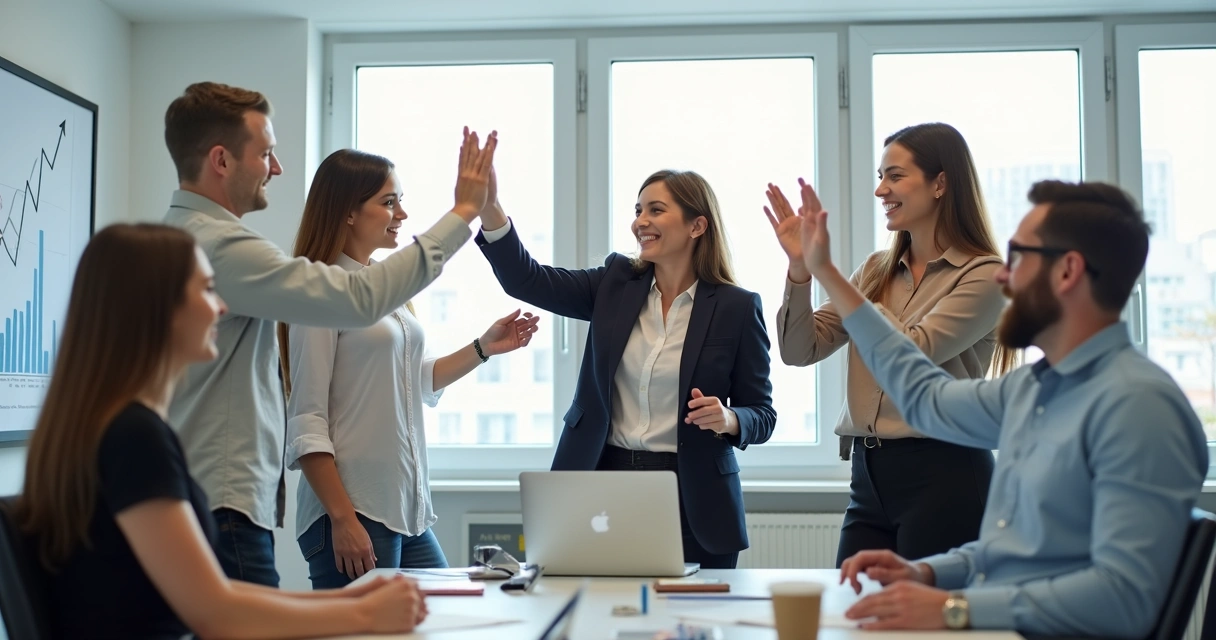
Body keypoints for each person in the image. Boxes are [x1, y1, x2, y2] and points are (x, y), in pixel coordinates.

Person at [790, 178, 1206, 637]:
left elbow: (1122, 599)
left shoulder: (1139, 407)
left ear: (1068, 271)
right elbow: (926, 399)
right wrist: (927, 574)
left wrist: (954, 608)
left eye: (1018, 258)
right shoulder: (1032, 389)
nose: (1003, 277)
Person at [10, 224, 428, 640]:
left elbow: (220, 595)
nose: (222, 308)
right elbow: (216, 614)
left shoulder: (114, 426)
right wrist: (365, 616)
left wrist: (358, 600)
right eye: (208, 290)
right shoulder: (135, 438)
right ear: (158, 309)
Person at [161, 81, 496, 586]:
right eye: (267, 153)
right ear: (222, 161)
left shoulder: (192, 240)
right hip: (242, 501)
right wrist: (463, 212)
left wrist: (482, 348)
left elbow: (409, 378)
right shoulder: (222, 248)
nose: (276, 168)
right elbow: (350, 314)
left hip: (371, 505)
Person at [476, 163, 776, 568]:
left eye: (655, 210)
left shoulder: (736, 307)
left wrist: (729, 418)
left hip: (694, 495)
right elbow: (528, 280)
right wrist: (490, 208)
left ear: (697, 226)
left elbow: (762, 413)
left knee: (696, 622)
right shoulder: (613, 284)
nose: (640, 222)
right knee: (600, 615)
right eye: (638, 210)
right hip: (603, 481)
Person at [279, 149, 541, 587]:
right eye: (388, 202)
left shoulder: (383, 284)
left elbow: (412, 379)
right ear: (346, 211)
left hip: (406, 511)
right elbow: (307, 420)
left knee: (442, 619)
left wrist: (483, 348)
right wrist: (343, 520)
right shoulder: (321, 289)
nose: (401, 213)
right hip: (354, 512)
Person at [766, 122, 1015, 566]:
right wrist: (802, 270)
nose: (881, 190)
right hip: (869, 475)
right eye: (880, 177)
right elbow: (799, 349)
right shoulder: (875, 270)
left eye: (895, 176)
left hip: (945, 472)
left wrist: (830, 274)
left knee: (925, 629)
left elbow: (911, 353)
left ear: (941, 183)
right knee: (854, 616)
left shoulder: (984, 274)